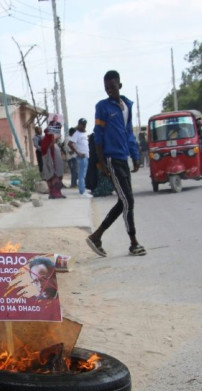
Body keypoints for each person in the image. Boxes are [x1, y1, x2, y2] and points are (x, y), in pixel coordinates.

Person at [85, 70, 145, 258]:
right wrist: (101, 162)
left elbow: (128, 133)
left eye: (112, 87)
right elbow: (98, 136)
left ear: (119, 85)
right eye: (106, 88)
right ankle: (133, 243)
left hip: (123, 158)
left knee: (124, 201)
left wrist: (135, 156)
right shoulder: (102, 107)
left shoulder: (126, 106)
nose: (109, 90)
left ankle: (96, 236)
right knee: (128, 201)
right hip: (111, 159)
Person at [40, 127, 66, 199]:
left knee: (56, 179)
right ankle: (54, 194)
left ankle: (57, 193)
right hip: (51, 167)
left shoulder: (53, 143)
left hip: (56, 167)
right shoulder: (47, 142)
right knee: (53, 180)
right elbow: (47, 154)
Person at [68, 118, 91, 197]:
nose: (84, 126)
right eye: (82, 124)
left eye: (85, 125)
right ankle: (82, 192)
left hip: (86, 156)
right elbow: (70, 144)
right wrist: (78, 153)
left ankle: (83, 188)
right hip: (81, 157)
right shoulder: (76, 133)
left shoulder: (84, 133)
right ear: (79, 124)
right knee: (81, 175)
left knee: (84, 174)